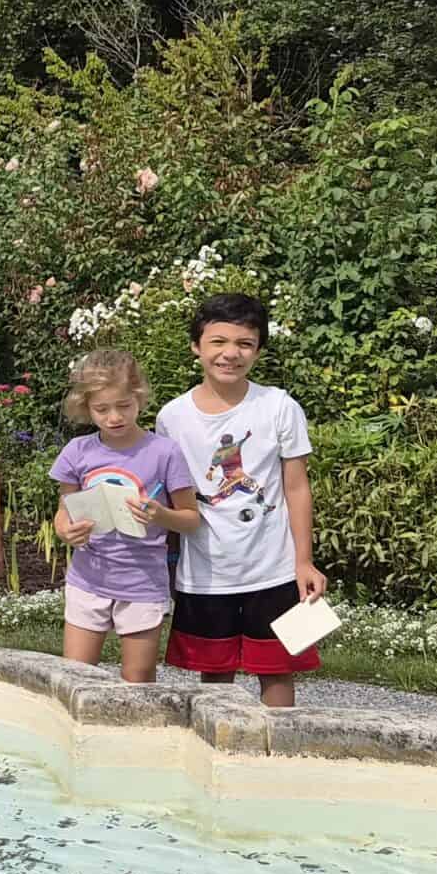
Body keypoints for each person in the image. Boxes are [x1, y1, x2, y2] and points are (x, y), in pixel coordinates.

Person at [156, 293, 326, 706]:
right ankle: (220, 745)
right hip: (205, 572)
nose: (231, 353)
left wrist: (303, 561)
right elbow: (171, 497)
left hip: (274, 569)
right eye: (218, 341)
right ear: (196, 346)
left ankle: (279, 745)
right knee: (215, 675)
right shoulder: (171, 417)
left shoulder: (279, 406)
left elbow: (296, 487)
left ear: (258, 350)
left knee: (277, 670)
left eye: (245, 343)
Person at [49, 350, 200, 683]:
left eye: (124, 406)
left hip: (143, 582)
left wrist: (161, 515)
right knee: (75, 677)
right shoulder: (77, 451)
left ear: (139, 398)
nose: (114, 417)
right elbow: (64, 510)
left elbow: (191, 518)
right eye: (102, 409)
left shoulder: (164, 452)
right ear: (85, 407)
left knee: (138, 679)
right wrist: (65, 531)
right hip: (88, 580)